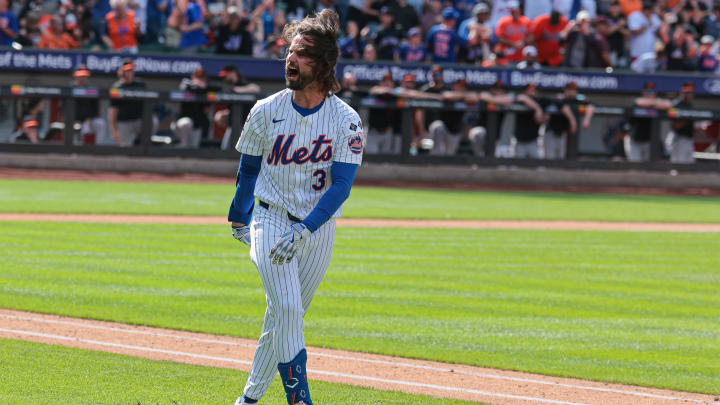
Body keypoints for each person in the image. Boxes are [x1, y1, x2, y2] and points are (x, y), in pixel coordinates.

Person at [229, 10, 363, 405]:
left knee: (284, 318)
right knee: (287, 307)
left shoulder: (346, 120)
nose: (290, 59)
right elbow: (247, 172)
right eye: (289, 51)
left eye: (301, 53)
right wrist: (239, 218)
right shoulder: (266, 110)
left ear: (323, 64)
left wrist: (306, 228)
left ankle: (248, 400)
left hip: (317, 229)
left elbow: (341, 186)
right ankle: (299, 398)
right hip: (270, 218)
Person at [215, 64, 262, 150]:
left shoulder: (242, 83)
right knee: (225, 149)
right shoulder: (229, 86)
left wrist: (237, 90)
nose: (225, 78)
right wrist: (224, 114)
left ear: (233, 73)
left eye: (226, 75)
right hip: (233, 124)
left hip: (247, 126)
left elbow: (256, 89)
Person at [626, 81, 672, 162]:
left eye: (652, 91)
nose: (650, 93)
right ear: (643, 92)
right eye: (647, 91)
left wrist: (654, 103)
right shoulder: (638, 101)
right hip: (635, 141)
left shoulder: (657, 103)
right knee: (635, 167)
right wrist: (655, 102)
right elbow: (639, 102)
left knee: (649, 168)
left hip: (649, 142)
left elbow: (668, 104)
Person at [174, 68, 216, 148]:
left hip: (197, 127)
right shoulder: (186, 84)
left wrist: (203, 87)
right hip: (181, 125)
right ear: (193, 77)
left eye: (201, 77)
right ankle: (182, 146)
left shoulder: (206, 90)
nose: (199, 79)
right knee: (186, 123)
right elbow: (184, 87)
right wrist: (196, 85)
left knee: (194, 147)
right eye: (197, 77)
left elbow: (217, 90)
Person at [108, 59, 146, 146]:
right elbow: (113, 110)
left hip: (138, 121)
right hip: (123, 122)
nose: (130, 72)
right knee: (124, 148)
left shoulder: (141, 85)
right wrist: (114, 130)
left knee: (153, 121)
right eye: (127, 70)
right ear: (122, 71)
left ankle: (139, 141)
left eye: (131, 70)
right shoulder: (116, 87)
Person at [543, 82, 580, 160]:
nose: (571, 92)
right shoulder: (557, 99)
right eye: (569, 89)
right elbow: (561, 106)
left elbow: (592, 104)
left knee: (561, 158)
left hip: (563, 133)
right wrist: (573, 121)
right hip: (551, 132)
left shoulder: (576, 102)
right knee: (550, 158)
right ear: (565, 90)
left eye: (574, 90)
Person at [71, 65, 107, 145]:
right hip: (74, 121)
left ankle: (98, 149)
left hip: (89, 121)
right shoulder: (70, 88)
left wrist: (90, 118)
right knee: (75, 131)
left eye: (84, 76)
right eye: (80, 76)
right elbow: (64, 109)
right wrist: (72, 120)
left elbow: (95, 109)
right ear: (75, 76)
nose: (82, 78)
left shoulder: (91, 89)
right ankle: (75, 153)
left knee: (101, 124)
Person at [666, 82, 696, 163]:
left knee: (689, 165)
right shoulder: (676, 104)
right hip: (678, 138)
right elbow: (675, 125)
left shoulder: (690, 105)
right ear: (682, 92)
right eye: (686, 92)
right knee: (678, 165)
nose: (689, 94)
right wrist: (688, 118)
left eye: (690, 92)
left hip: (688, 139)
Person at [512, 83, 545, 158]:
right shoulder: (520, 99)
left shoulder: (540, 101)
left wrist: (540, 112)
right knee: (518, 165)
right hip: (519, 141)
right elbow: (521, 97)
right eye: (529, 90)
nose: (532, 92)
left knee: (538, 166)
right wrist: (537, 109)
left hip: (533, 141)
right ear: (525, 91)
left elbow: (542, 120)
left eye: (534, 90)